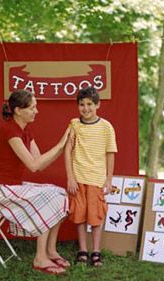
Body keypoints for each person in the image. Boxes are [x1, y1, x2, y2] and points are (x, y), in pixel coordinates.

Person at [0, 89, 70, 275]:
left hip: (12, 186)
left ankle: (50, 250)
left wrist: (62, 148)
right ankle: (40, 258)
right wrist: (61, 144)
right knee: (48, 197)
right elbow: (33, 165)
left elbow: (40, 163)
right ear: (18, 110)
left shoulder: (25, 130)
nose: (36, 111)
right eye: (32, 108)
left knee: (60, 193)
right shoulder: (9, 130)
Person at [65, 87, 117, 267]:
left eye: (89, 104)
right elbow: (67, 151)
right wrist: (70, 177)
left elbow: (110, 153)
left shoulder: (106, 127)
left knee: (96, 216)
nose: (85, 108)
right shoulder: (74, 125)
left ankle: (96, 251)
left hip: (96, 179)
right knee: (79, 215)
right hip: (78, 178)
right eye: (81, 105)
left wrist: (109, 180)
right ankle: (83, 250)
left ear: (98, 105)